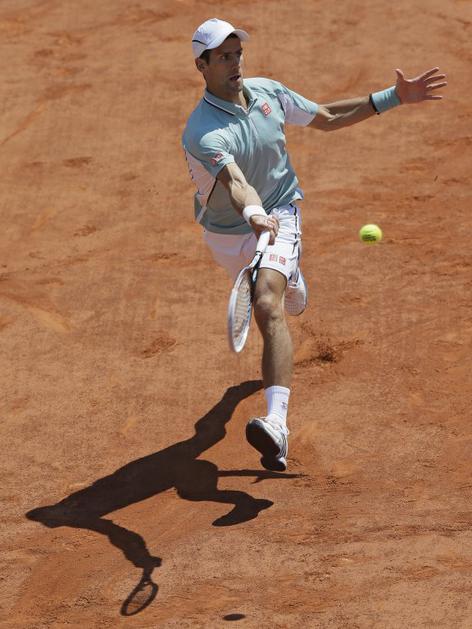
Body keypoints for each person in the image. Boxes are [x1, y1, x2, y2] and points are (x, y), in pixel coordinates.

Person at [182, 18, 447, 472]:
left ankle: (276, 424)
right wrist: (253, 215)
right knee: (271, 288)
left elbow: (325, 117)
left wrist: (394, 96)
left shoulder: (268, 92)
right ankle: (291, 276)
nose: (235, 62)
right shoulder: (203, 132)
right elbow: (236, 183)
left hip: (280, 212)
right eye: (223, 57)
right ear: (201, 66)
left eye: (237, 53)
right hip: (228, 234)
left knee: (266, 304)